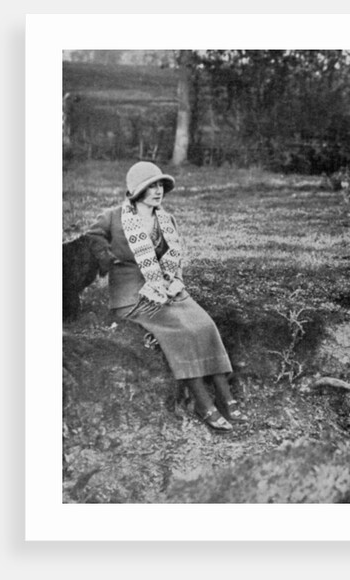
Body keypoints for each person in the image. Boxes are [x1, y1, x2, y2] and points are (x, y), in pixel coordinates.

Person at [84, 161, 248, 432]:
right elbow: (91, 237)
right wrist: (107, 258)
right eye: (151, 186)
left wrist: (176, 281)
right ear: (136, 190)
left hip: (167, 287)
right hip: (131, 296)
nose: (158, 191)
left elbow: (175, 257)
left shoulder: (166, 220)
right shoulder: (113, 217)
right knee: (182, 331)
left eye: (161, 185)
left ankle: (225, 396)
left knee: (204, 325)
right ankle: (203, 403)